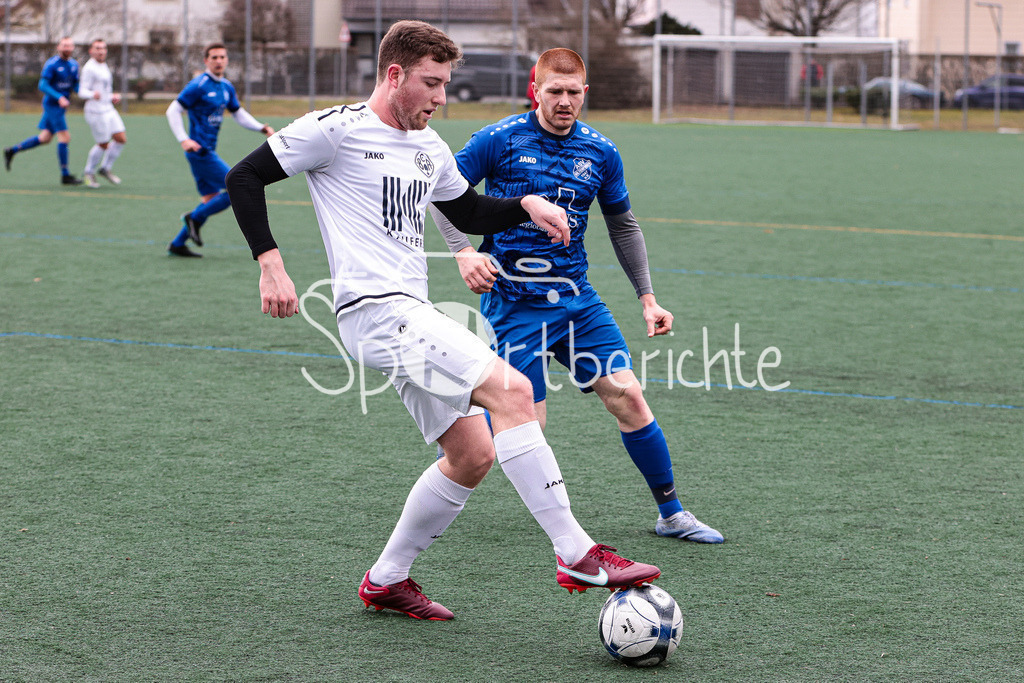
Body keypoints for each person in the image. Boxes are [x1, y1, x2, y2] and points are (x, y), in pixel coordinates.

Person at [225, 20, 660, 621]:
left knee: (472, 452)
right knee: (513, 390)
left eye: (446, 84)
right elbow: (243, 176)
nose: (441, 96)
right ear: (394, 75)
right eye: (431, 83)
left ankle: (386, 579)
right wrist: (271, 264)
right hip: (374, 310)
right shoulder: (336, 129)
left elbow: (469, 210)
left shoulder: (428, 146)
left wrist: (526, 204)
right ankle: (575, 552)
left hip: (412, 311)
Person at [431, 48, 724, 544]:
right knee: (528, 424)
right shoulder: (498, 139)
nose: (564, 101)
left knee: (629, 396)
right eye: (555, 91)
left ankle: (672, 514)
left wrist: (648, 298)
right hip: (513, 302)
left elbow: (623, 226)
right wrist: (462, 252)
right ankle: (464, 444)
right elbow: (444, 194)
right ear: (535, 91)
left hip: (576, 302)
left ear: (584, 93)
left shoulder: (601, 152)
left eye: (573, 92)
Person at [165, 42, 274, 258]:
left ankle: (177, 244)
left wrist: (260, 127)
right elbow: (173, 110)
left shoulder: (226, 87)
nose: (219, 61)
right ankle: (193, 218)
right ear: (206, 60)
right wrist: (184, 139)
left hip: (208, 150)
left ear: (227, 60)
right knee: (235, 188)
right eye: (214, 57)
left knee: (210, 198)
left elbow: (238, 113)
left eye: (222, 57)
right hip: (199, 152)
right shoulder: (198, 85)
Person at [4, 37, 83, 185]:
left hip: (61, 107)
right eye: (64, 45)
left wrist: (88, 94)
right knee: (65, 138)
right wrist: (59, 97)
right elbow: (43, 85)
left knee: (45, 138)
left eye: (69, 46)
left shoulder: (74, 65)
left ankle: (12, 150)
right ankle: (65, 175)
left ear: (73, 48)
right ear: (58, 47)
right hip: (52, 106)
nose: (67, 48)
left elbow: (76, 86)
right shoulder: (52, 64)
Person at [79, 39, 126, 188]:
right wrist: (92, 94)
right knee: (103, 144)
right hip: (95, 111)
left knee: (120, 139)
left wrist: (112, 96)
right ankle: (88, 172)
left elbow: (104, 89)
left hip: (108, 108)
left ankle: (105, 168)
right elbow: (82, 91)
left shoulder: (104, 65)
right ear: (91, 51)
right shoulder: (89, 68)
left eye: (103, 48)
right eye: (97, 48)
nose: (101, 51)